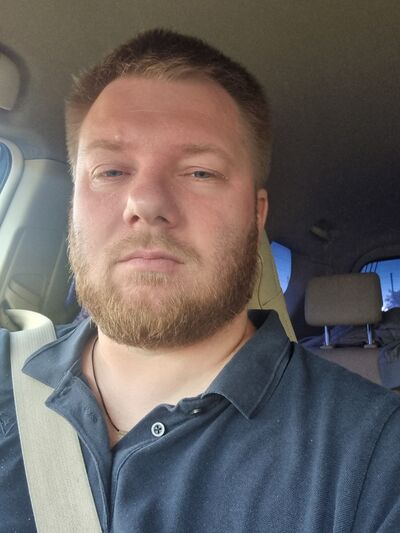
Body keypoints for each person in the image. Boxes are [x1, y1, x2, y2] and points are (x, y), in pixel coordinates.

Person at [1, 28, 400, 532]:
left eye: (200, 173)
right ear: (73, 205)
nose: (146, 203)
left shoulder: (377, 456)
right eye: (110, 171)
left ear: (256, 216)